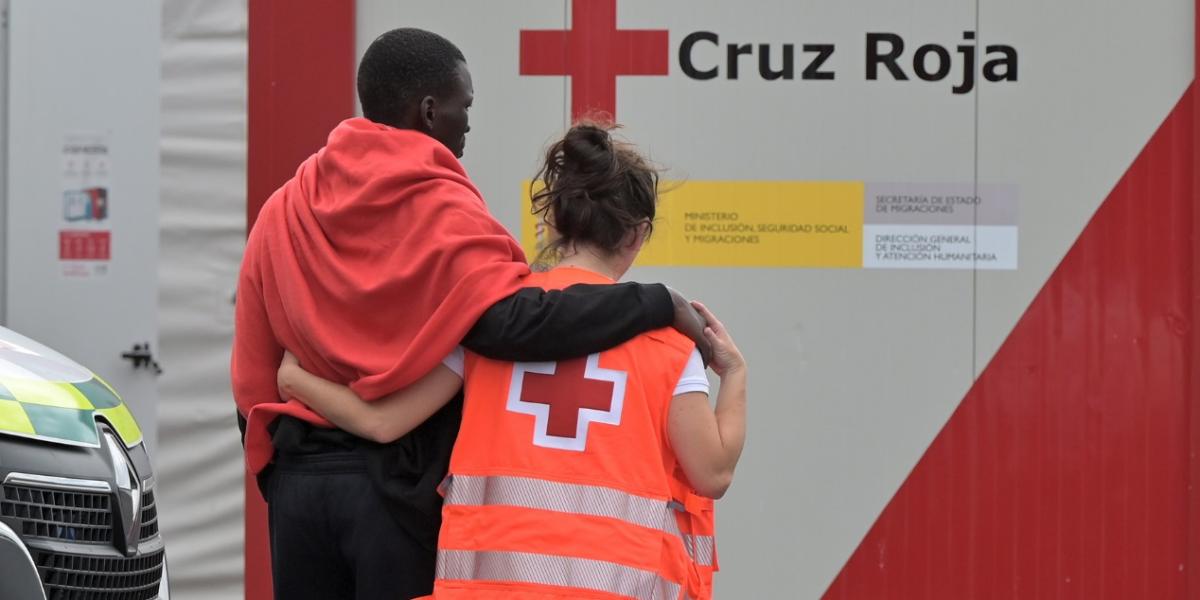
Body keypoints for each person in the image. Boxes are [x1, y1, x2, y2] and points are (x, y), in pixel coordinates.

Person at [232, 29, 709, 600]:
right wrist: (654, 302)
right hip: (393, 492)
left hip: (298, 490)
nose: (468, 123)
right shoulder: (440, 205)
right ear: (430, 111)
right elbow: (509, 324)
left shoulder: (285, 206)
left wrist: (278, 473)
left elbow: (252, 363)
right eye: (465, 107)